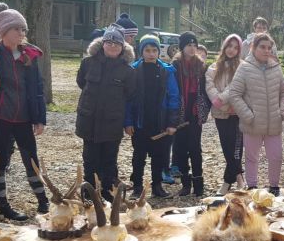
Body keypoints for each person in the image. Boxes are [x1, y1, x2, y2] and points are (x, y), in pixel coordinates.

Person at [0, 9, 49, 220]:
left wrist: (39, 118)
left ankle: (43, 201)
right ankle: (3, 206)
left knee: (31, 159)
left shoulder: (29, 55)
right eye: (16, 29)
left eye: (23, 29)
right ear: (3, 32)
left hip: (24, 118)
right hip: (0, 119)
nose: (21, 33)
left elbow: (38, 89)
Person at [75, 25, 136, 201]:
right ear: (102, 44)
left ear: (122, 47)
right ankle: (89, 193)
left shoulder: (127, 70)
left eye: (116, 44)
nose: (112, 46)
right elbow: (81, 82)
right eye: (109, 42)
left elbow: (130, 94)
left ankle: (107, 193)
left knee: (109, 160)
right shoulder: (88, 62)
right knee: (90, 159)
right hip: (89, 121)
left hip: (112, 122)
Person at [228, 33, 284, 195]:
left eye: (269, 48)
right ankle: (253, 187)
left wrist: (283, 111)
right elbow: (234, 93)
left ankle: (274, 187)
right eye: (262, 47)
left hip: (274, 123)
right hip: (253, 124)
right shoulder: (245, 67)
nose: (266, 50)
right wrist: (248, 115)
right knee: (251, 157)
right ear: (253, 48)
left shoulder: (276, 67)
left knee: (276, 156)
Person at [124, 34, 181, 199]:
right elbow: (128, 99)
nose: (151, 53)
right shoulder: (133, 70)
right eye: (147, 50)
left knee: (159, 156)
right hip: (139, 122)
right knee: (138, 156)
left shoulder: (167, 71)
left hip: (160, 122)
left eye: (154, 50)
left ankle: (157, 186)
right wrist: (128, 122)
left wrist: (172, 122)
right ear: (141, 52)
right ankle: (137, 187)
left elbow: (174, 97)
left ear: (158, 51)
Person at [205, 34, 245, 194]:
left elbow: (237, 87)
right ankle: (238, 176)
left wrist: (224, 100)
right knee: (226, 146)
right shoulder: (214, 67)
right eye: (230, 46)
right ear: (224, 46)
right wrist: (220, 103)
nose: (232, 50)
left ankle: (230, 182)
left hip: (237, 112)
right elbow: (209, 86)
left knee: (236, 147)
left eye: (236, 47)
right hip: (220, 112)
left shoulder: (243, 67)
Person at [172, 31, 209, 197]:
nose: (192, 48)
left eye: (194, 45)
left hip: (194, 113)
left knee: (195, 148)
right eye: (189, 45)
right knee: (180, 149)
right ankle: (186, 183)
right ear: (182, 47)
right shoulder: (175, 66)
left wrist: (203, 109)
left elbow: (206, 91)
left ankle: (198, 183)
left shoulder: (201, 66)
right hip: (179, 112)